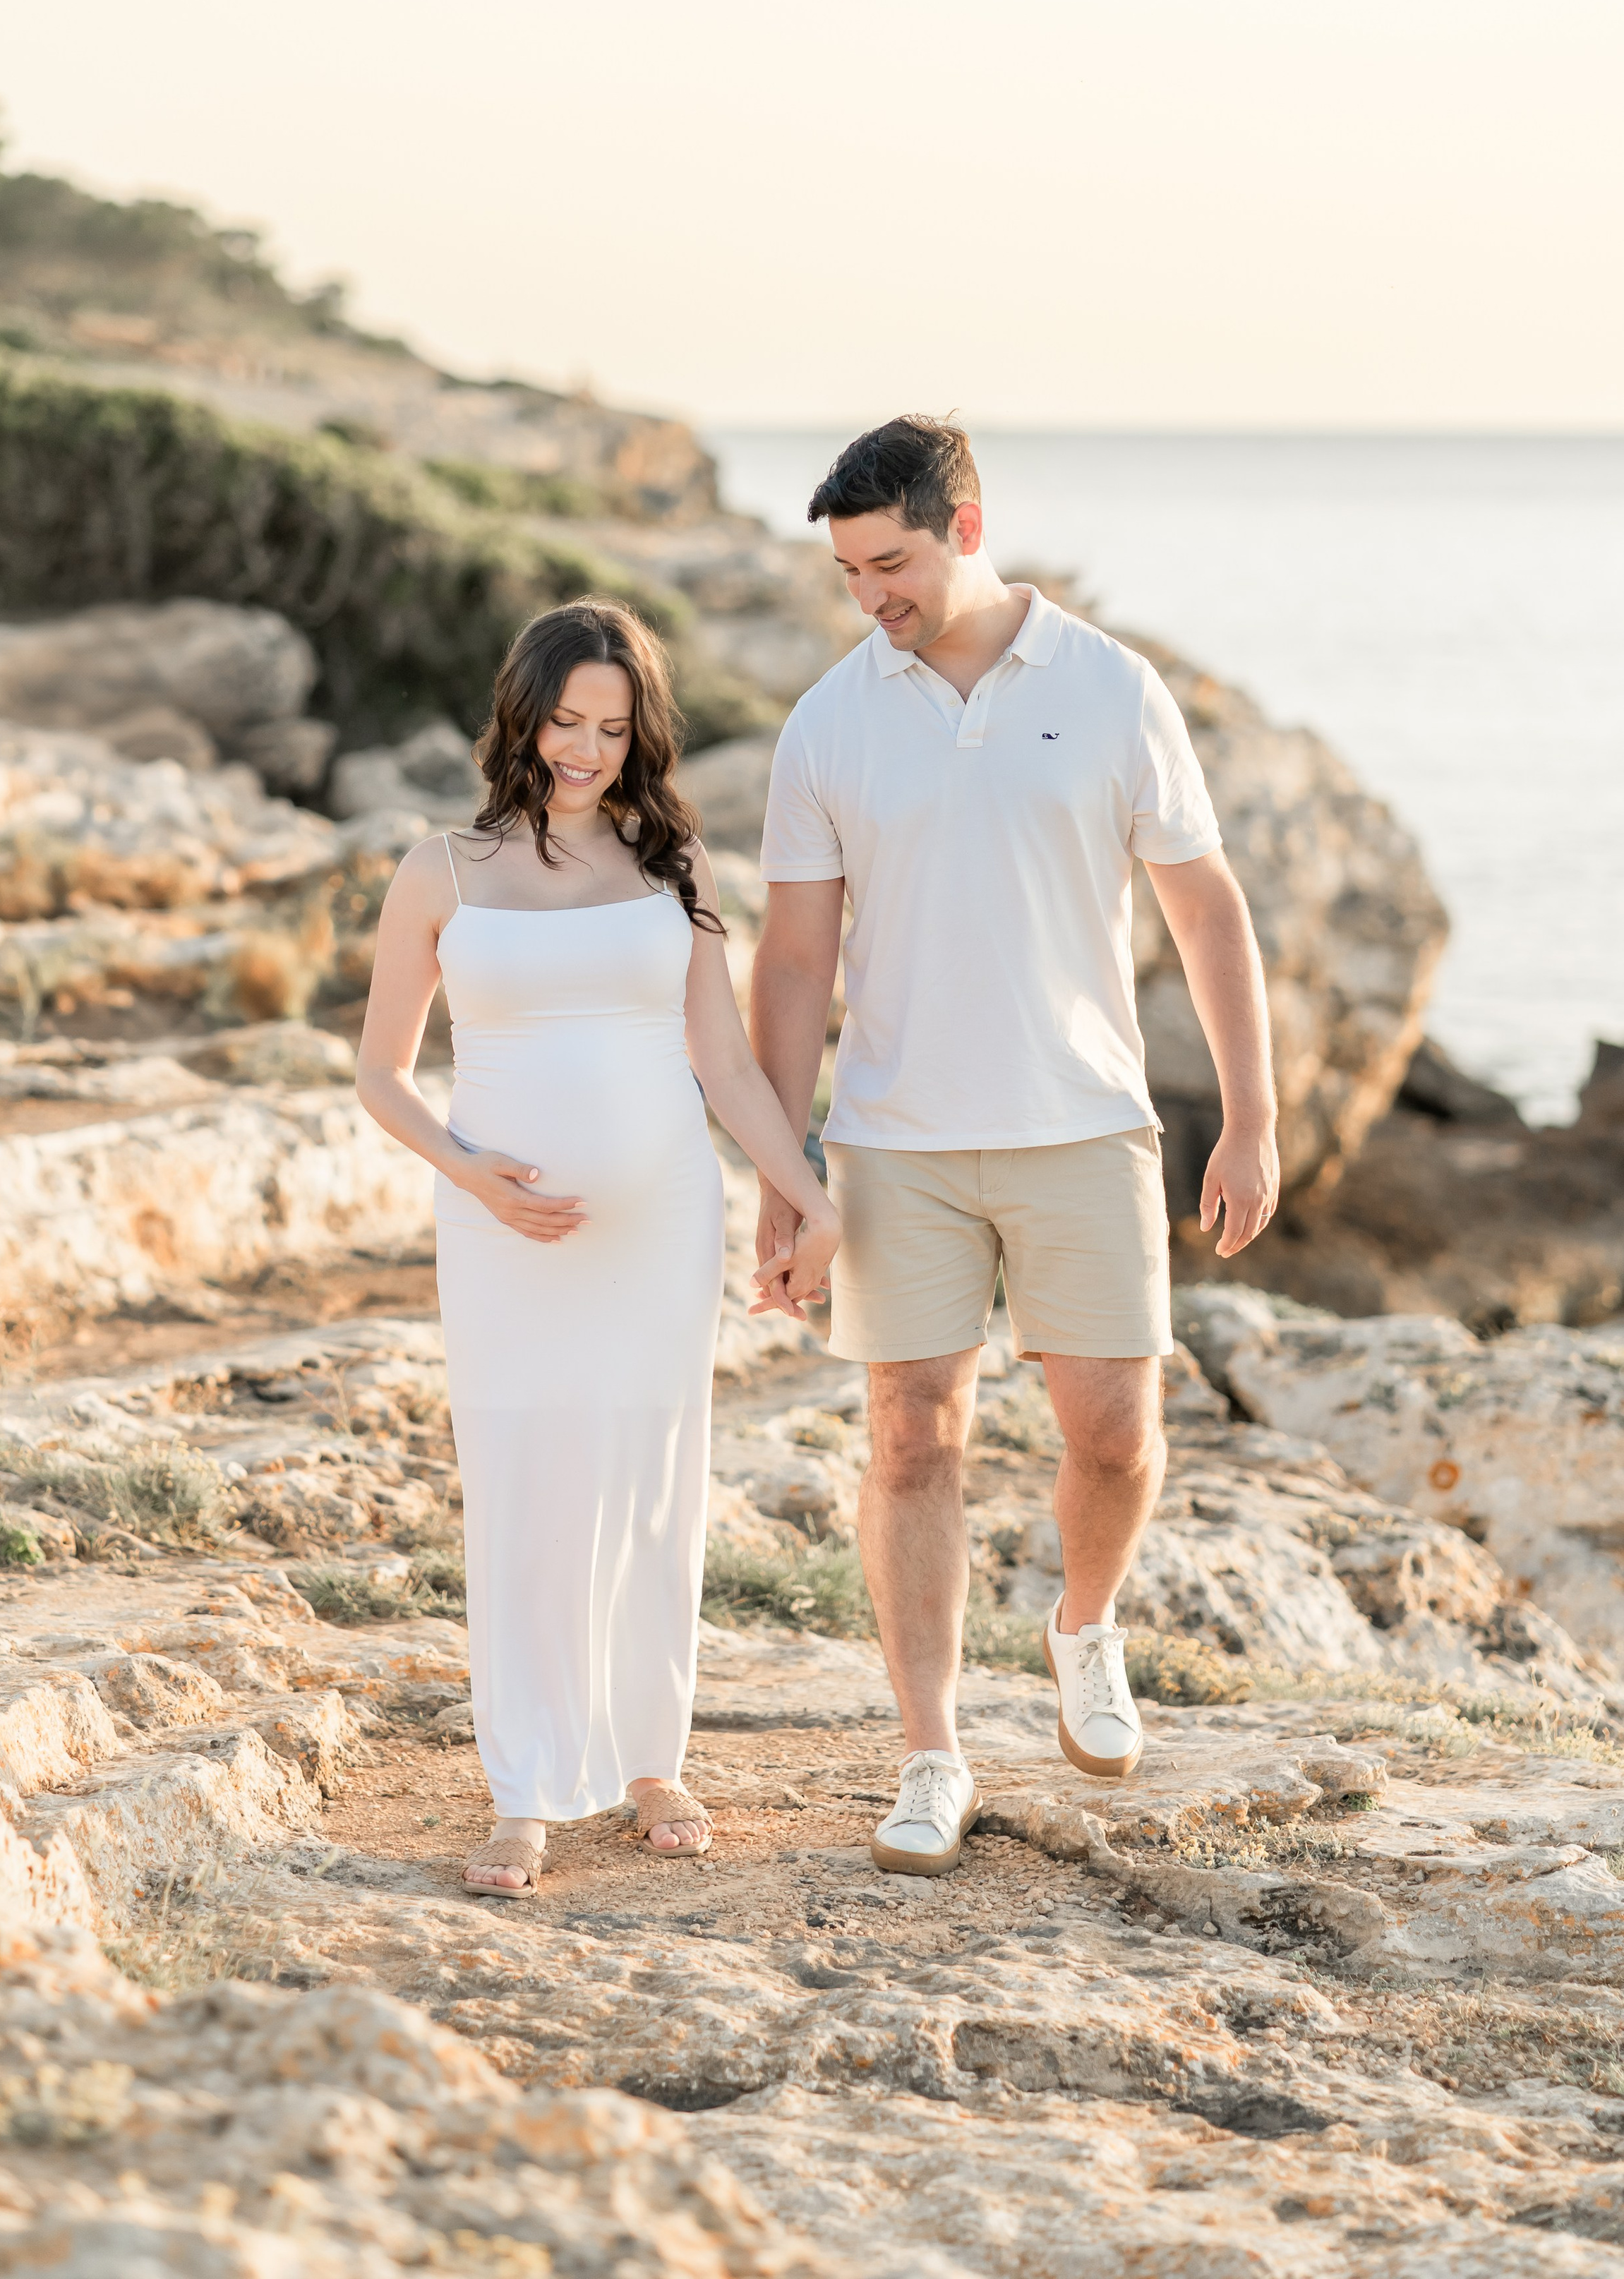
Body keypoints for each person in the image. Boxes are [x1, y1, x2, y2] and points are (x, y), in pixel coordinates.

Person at [750, 419, 1278, 1877]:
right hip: (894, 1144)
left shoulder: (1111, 691)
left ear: (965, 525)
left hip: (1086, 1124)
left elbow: (1205, 910)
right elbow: (795, 966)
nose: (872, 596)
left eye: (894, 562)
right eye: (850, 571)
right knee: (910, 1439)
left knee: (1112, 1438)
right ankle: (928, 1752)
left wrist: (1249, 1115)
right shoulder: (828, 722)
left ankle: (1081, 1628)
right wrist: (781, 1170)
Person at [356, 599, 838, 1896]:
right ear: (524, 714)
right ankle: (523, 1789)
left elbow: (727, 1065)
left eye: (613, 728)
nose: (586, 748)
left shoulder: (671, 863)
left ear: (643, 735)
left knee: (647, 1479)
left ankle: (647, 1760)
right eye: (567, 721)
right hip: (503, 1232)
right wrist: (468, 1173)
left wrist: (807, 1189)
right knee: (522, 1481)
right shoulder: (441, 869)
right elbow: (382, 1074)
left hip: (661, 1225)